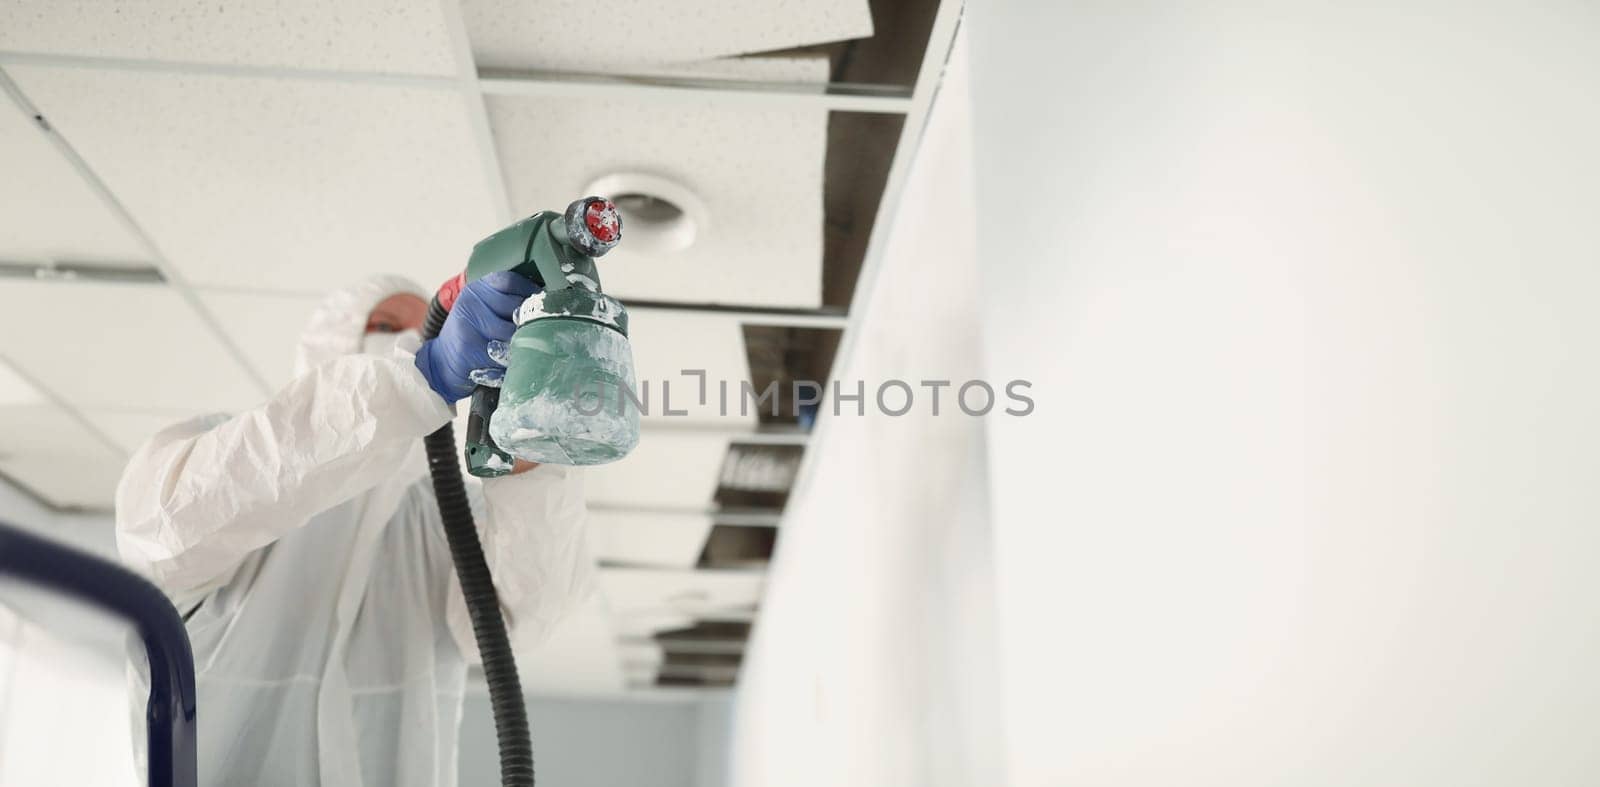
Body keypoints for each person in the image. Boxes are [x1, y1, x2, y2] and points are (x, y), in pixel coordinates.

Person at [115, 273, 592, 786]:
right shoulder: (230, 466)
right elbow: (164, 529)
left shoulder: (445, 520)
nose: (412, 341)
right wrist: (417, 377)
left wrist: (528, 449)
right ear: (331, 345)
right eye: (388, 326)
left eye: (430, 333)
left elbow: (522, 615)